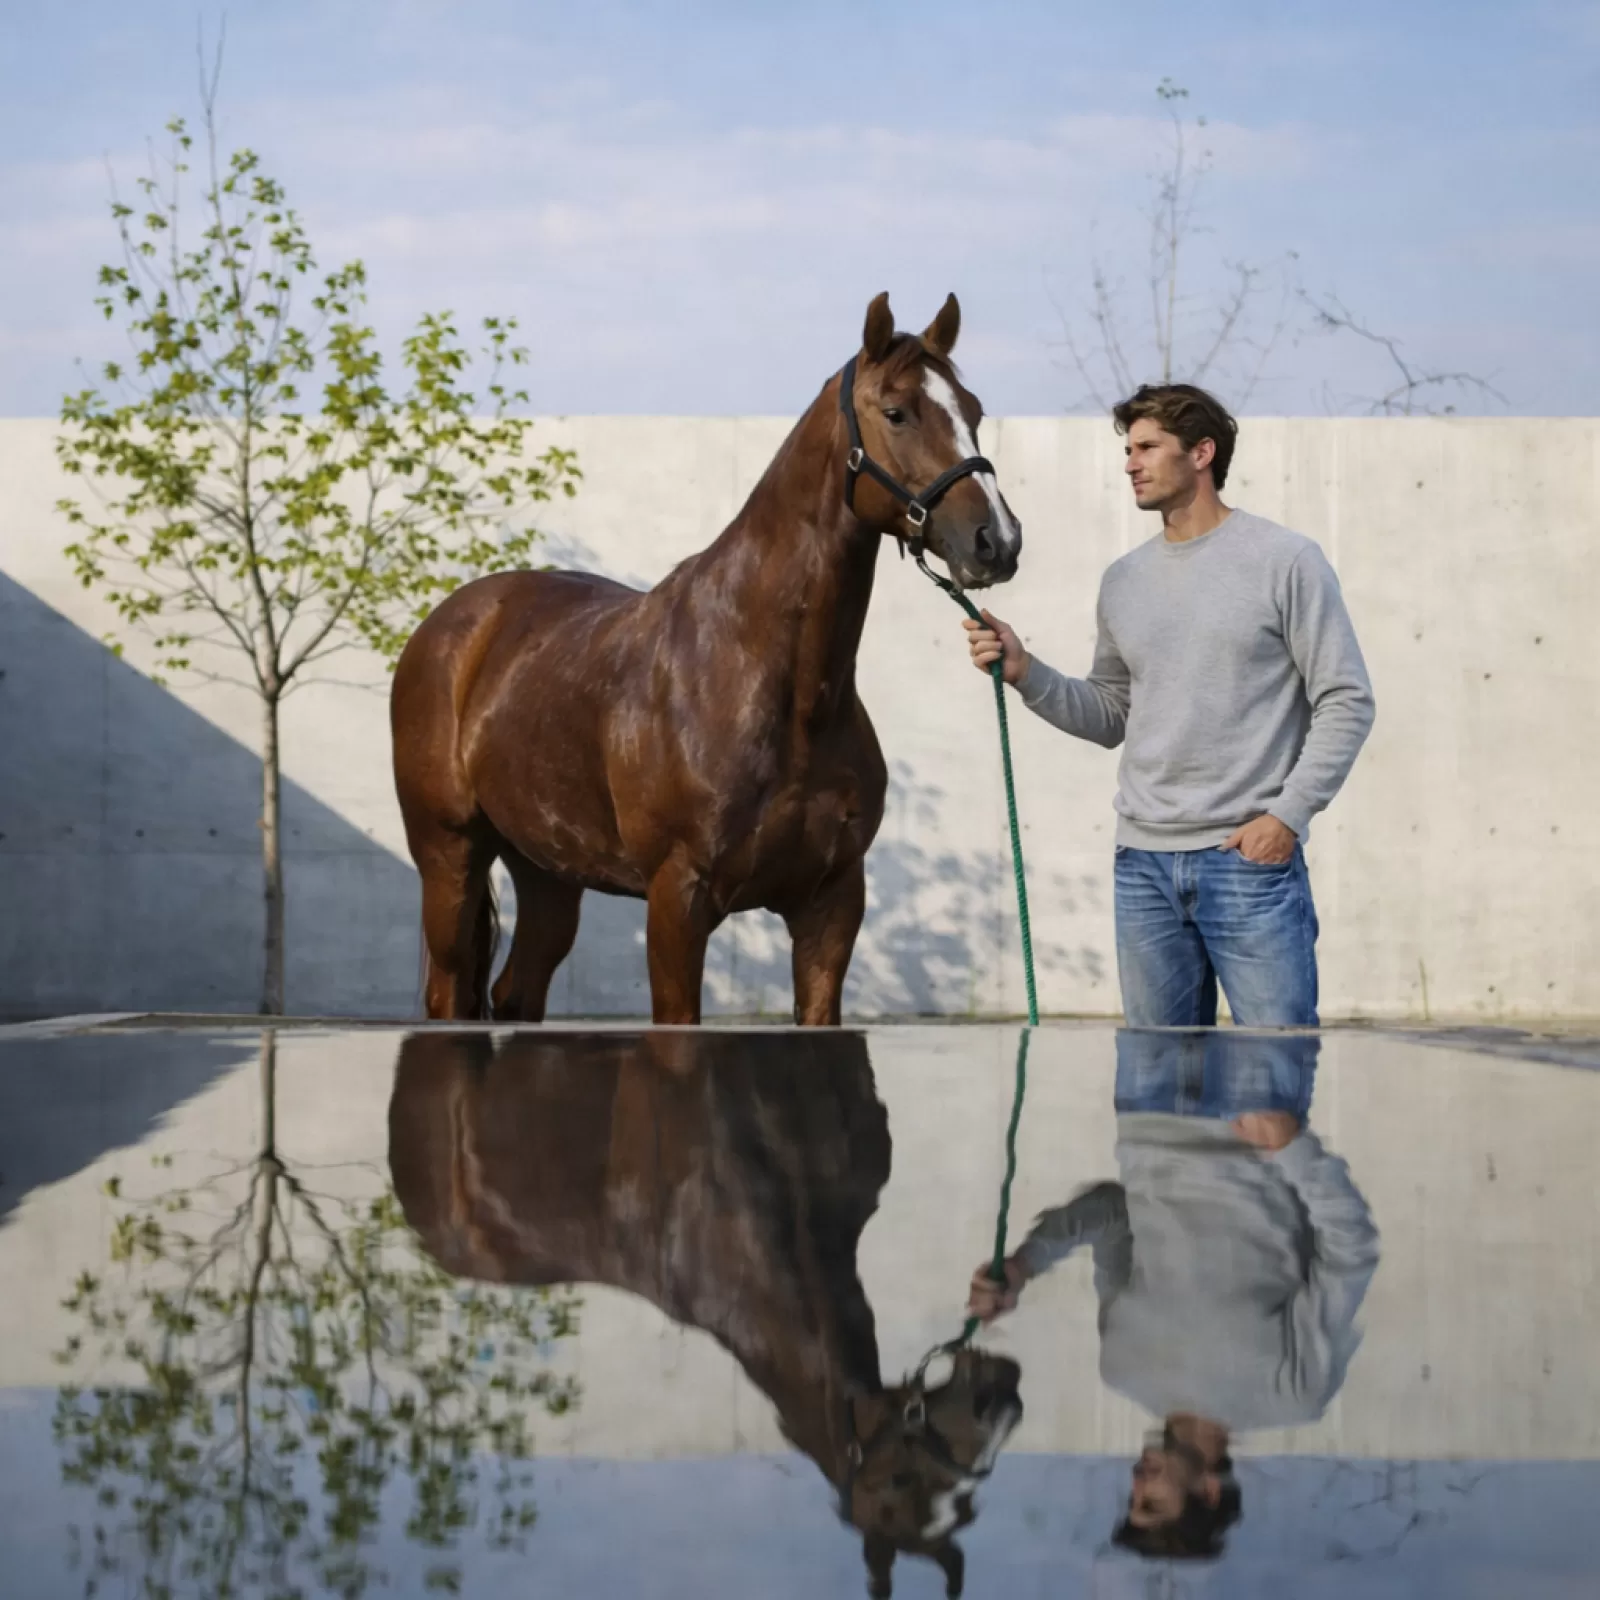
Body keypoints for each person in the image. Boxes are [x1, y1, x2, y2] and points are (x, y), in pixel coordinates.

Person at [965, 384, 1375, 1026]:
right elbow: (1111, 715)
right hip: (1143, 872)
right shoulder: (1123, 581)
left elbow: (1347, 699)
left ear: (1202, 452)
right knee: (1160, 1106)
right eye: (1129, 449)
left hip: (1247, 866)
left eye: (1149, 446)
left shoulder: (1285, 560)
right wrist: (1025, 672)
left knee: (1271, 1097)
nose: (1131, 462)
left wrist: (1287, 818)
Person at [967, 1029, 1380, 1561]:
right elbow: (1353, 1250)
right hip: (1257, 1107)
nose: (1137, 1484)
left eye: (1132, 1499)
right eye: (1152, 1502)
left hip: (1147, 1103)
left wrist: (1025, 1264)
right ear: (1208, 1490)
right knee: (1265, 944)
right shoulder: (1293, 1395)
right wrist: (1293, 1150)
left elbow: (1113, 1214)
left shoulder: (1121, 1369)